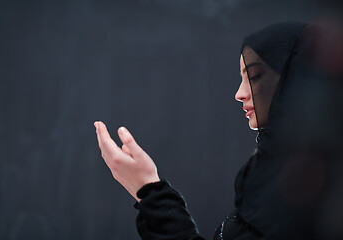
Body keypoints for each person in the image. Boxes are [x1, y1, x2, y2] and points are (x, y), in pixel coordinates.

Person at [94, 21, 343, 239]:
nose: (239, 93)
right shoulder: (277, 174)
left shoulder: (306, 190)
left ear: (295, 77)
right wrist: (148, 190)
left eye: (254, 76)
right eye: (241, 78)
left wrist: (150, 190)